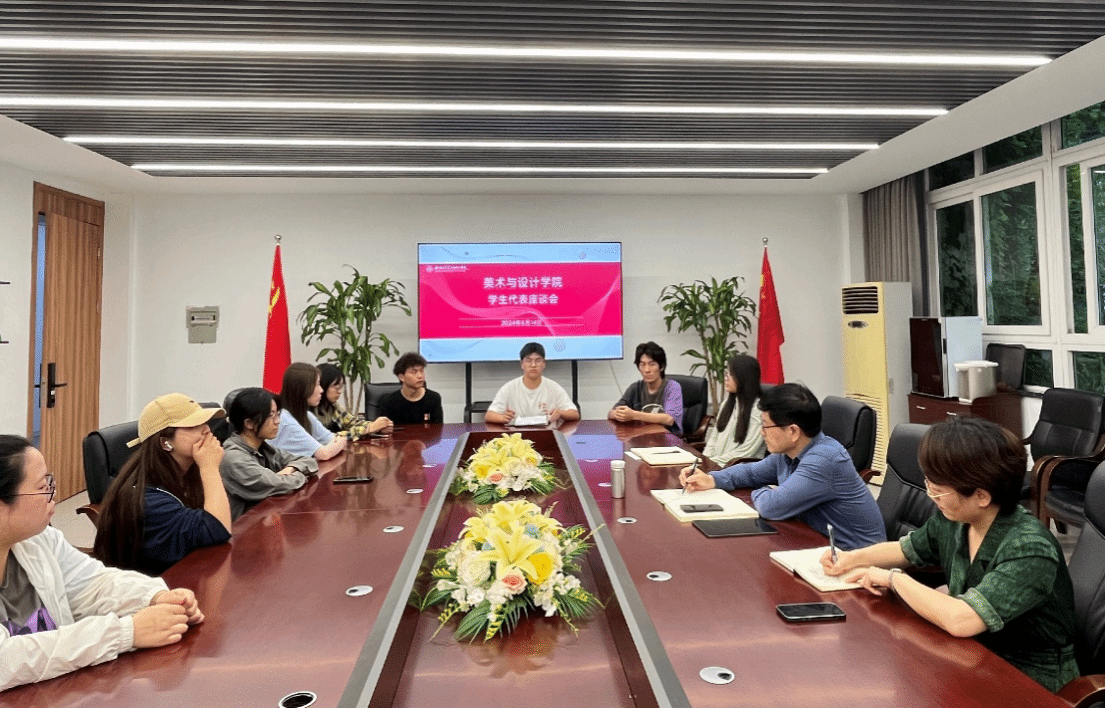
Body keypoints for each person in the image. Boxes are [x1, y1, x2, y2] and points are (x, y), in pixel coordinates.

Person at [820, 417, 1078, 691]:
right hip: (972, 654)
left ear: (981, 496)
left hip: (1030, 679)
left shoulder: (1028, 547)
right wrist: (850, 558)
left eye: (939, 491)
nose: (931, 496)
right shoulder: (958, 520)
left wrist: (894, 579)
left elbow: (961, 620)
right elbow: (905, 550)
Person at [0, 435, 206, 691]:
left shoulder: (40, 540)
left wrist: (155, 597)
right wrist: (124, 633)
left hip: (61, 691)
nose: (52, 495)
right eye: (43, 487)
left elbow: (95, 584)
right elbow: (6, 661)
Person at [680, 382, 884, 549]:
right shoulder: (790, 450)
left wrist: (764, 490)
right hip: (815, 542)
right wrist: (712, 479)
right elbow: (751, 472)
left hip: (857, 560)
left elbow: (771, 507)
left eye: (765, 426)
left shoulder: (824, 460)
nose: (762, 433)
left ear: (793, 432)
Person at [93, 393, 233, 574]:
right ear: (165, 442)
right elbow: (218, 529)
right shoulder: (147, 500)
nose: (207, 430)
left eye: (205, 422)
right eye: (194, 425)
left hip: (190, 571)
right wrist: (210, 467)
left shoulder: (186, 474)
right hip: (154, 586)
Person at [220, 387, 319, 520]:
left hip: (264, 520)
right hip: (243, 529)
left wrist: (291, 468)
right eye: (270, 416)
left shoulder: (262, 447)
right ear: (249, 423)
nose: (277, 421)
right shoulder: (234, 458)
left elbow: (309, 461)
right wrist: (301, 475)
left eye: (277, 414)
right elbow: (281, 485)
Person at [485, 342, 580, 425]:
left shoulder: (553, 387)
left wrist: (560, 413)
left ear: (544, 364)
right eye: (528, 361)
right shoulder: (509, 388)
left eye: (538, 361)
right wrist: (502, 418)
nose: (533, 365)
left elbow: (575, 414)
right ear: (522, 364)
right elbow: (489, 415)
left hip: (547, 434)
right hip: (517, 435)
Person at [271, 362, 348, 460]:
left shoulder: (306, 415)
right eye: (317, 385)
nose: (321, 390)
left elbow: (332, 438)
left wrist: (338, 442)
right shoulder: (285, 420)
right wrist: (338, 442)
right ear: (302, 389)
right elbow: (324, 454)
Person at [701, 354, 765, 466]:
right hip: (717, 467)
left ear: (744, 377)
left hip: (738, 470)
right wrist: (704, 461)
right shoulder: (728, 403)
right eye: (726, 373)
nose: (726, 378)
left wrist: (711, 464)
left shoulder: (759, 411)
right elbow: (713, 439)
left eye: (731, 374)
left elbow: (746, 452)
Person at [608, 341, 683, 435]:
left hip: (668, 439)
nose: (647, 370)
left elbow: (669, 419)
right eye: (643, 364)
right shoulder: (635, 388)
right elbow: (611, 413)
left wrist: (633, 415)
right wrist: (621, 414)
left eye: (652, 364)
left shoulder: (672, 387)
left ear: (661, 367)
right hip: (642, 437)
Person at [314, 363, 392, 438]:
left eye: (341, 387)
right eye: (336, 387)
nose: (340, 391)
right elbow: (327, 438)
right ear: (322, 386)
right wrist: (368, 429)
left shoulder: (333, 406)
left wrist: (379, 426)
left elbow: (352, 423)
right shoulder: (310, 411)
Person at [381, 352, 444, 425]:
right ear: (401, 377)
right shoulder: (389, 402)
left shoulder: (433, 398)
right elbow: (383, 429)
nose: (420, 376)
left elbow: (438, 429)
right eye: (414, 372)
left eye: (422, 371)